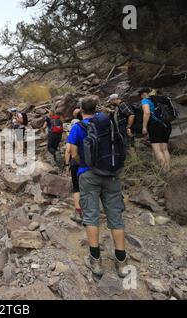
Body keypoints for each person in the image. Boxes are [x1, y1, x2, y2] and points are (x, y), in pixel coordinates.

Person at [67, 97, 127, 278]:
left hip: (88, 175)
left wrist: (83, 164)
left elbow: (73, 151)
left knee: (91, 216)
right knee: (115, 216)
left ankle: (96, 260)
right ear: (96, 109)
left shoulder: (78, 127)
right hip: (111, 173)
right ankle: (121, 262)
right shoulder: (107, 124)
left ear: (80, 110)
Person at [140, 88, 172, 172]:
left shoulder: (145, 100)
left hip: (155, 126)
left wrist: (144, 127)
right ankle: (168, 168)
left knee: (157, 149)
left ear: (144, 94)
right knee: (164, 149)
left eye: (141, 94)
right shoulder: (160, 99)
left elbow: (146, 113)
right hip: (167, 124)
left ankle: (164, 171)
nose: (140, 96)